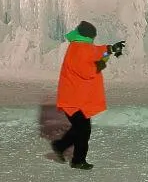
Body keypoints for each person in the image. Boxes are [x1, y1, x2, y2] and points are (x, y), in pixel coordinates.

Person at [50, 21, 124, 170]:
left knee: (80, 128)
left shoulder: (81, 46)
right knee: (83, 130)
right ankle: (78, 160)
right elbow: (87, 72)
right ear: (88, 36)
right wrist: (101, 64)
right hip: (74, 99)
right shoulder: (79, 49)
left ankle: (60, 145)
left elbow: (96, 52)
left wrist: (110, 49)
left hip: (76, 98)